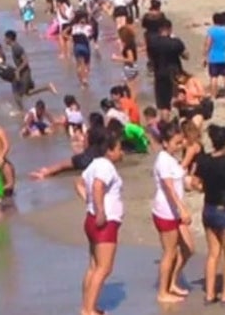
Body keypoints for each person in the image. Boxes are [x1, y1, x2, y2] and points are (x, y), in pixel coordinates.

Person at [191, 124, 225, 306]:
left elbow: (195, 182)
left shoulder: (204, 160)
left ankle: (210, 294)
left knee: (213, 253)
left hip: (208, 209)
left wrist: (205, 189)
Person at [74, 130, 124, 315]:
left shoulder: (94, 164)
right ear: (109, 151)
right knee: (104, 268)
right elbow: (97, 186)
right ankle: (89, 310)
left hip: (92, 220)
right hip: (105, 223)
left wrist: (89, 203)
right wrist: (100, 210)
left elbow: (78, 183)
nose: (122, 152)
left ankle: (86, 307)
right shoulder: (105, 166)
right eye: (119, 148)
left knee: (94, 267)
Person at [151, 122, 193, 303]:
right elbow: (168, 187)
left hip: (174, 212)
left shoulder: (171, 159)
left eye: (181, 141)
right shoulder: (163, 160)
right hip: (166, 212)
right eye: (176, 143)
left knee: (188, 249)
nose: (180, 145)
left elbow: (178, 181)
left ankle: (172, 282)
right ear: (166, 143)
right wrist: (182, 207)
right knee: (170, 252)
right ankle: (162, 292)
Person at [148, 19, 187, 120]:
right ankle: (174, 123)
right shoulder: (175, 42)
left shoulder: (153, 42)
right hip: (174, 73)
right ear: (170, 29)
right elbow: (186, 56)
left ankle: (164, 125)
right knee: (175, 100)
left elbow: (150, 58)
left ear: (159, 30)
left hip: (159, 73)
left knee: (163, 104)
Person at [203, 12, 225, 99]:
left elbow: (208, 44)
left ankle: (214, 95)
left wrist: (205, 56)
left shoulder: (212, 30)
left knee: (214, 77)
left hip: (214, 57)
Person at [4, 30, 33, 111]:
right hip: (22, 73)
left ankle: (22, 111)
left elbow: (26, 61)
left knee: (17, 94)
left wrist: (18, 70)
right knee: (24, 92)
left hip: (24, 73)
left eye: (5, 38)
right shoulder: (14, 47)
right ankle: (22, 110)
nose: (4, 40)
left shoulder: (16, 48)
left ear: (9, 38)